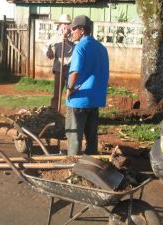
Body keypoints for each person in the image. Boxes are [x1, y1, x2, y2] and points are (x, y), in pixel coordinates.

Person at [65, 15, 109, 156]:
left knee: (74, 137)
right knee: (91, 137)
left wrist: (69, 90)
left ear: (82, 30)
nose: (72, 32)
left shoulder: (80, 47)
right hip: (95, 99)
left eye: (74, 29)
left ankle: (72, 166)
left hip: (79, 98)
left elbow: (75, 72)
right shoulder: (101, 48)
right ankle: (91, 166)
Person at [45, 14, 74, 111]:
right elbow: (48, 46)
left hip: (71, 68)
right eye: (63, 24)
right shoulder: (56, 37)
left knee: (71, 92)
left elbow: (77, 48)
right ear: (60, 25)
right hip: (59, 68)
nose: (65, 26)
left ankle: (72, 114)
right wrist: (49, 51)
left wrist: (66, 39)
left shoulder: (74, 36)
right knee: (57, 93)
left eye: (67, 24)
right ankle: (54, 113)